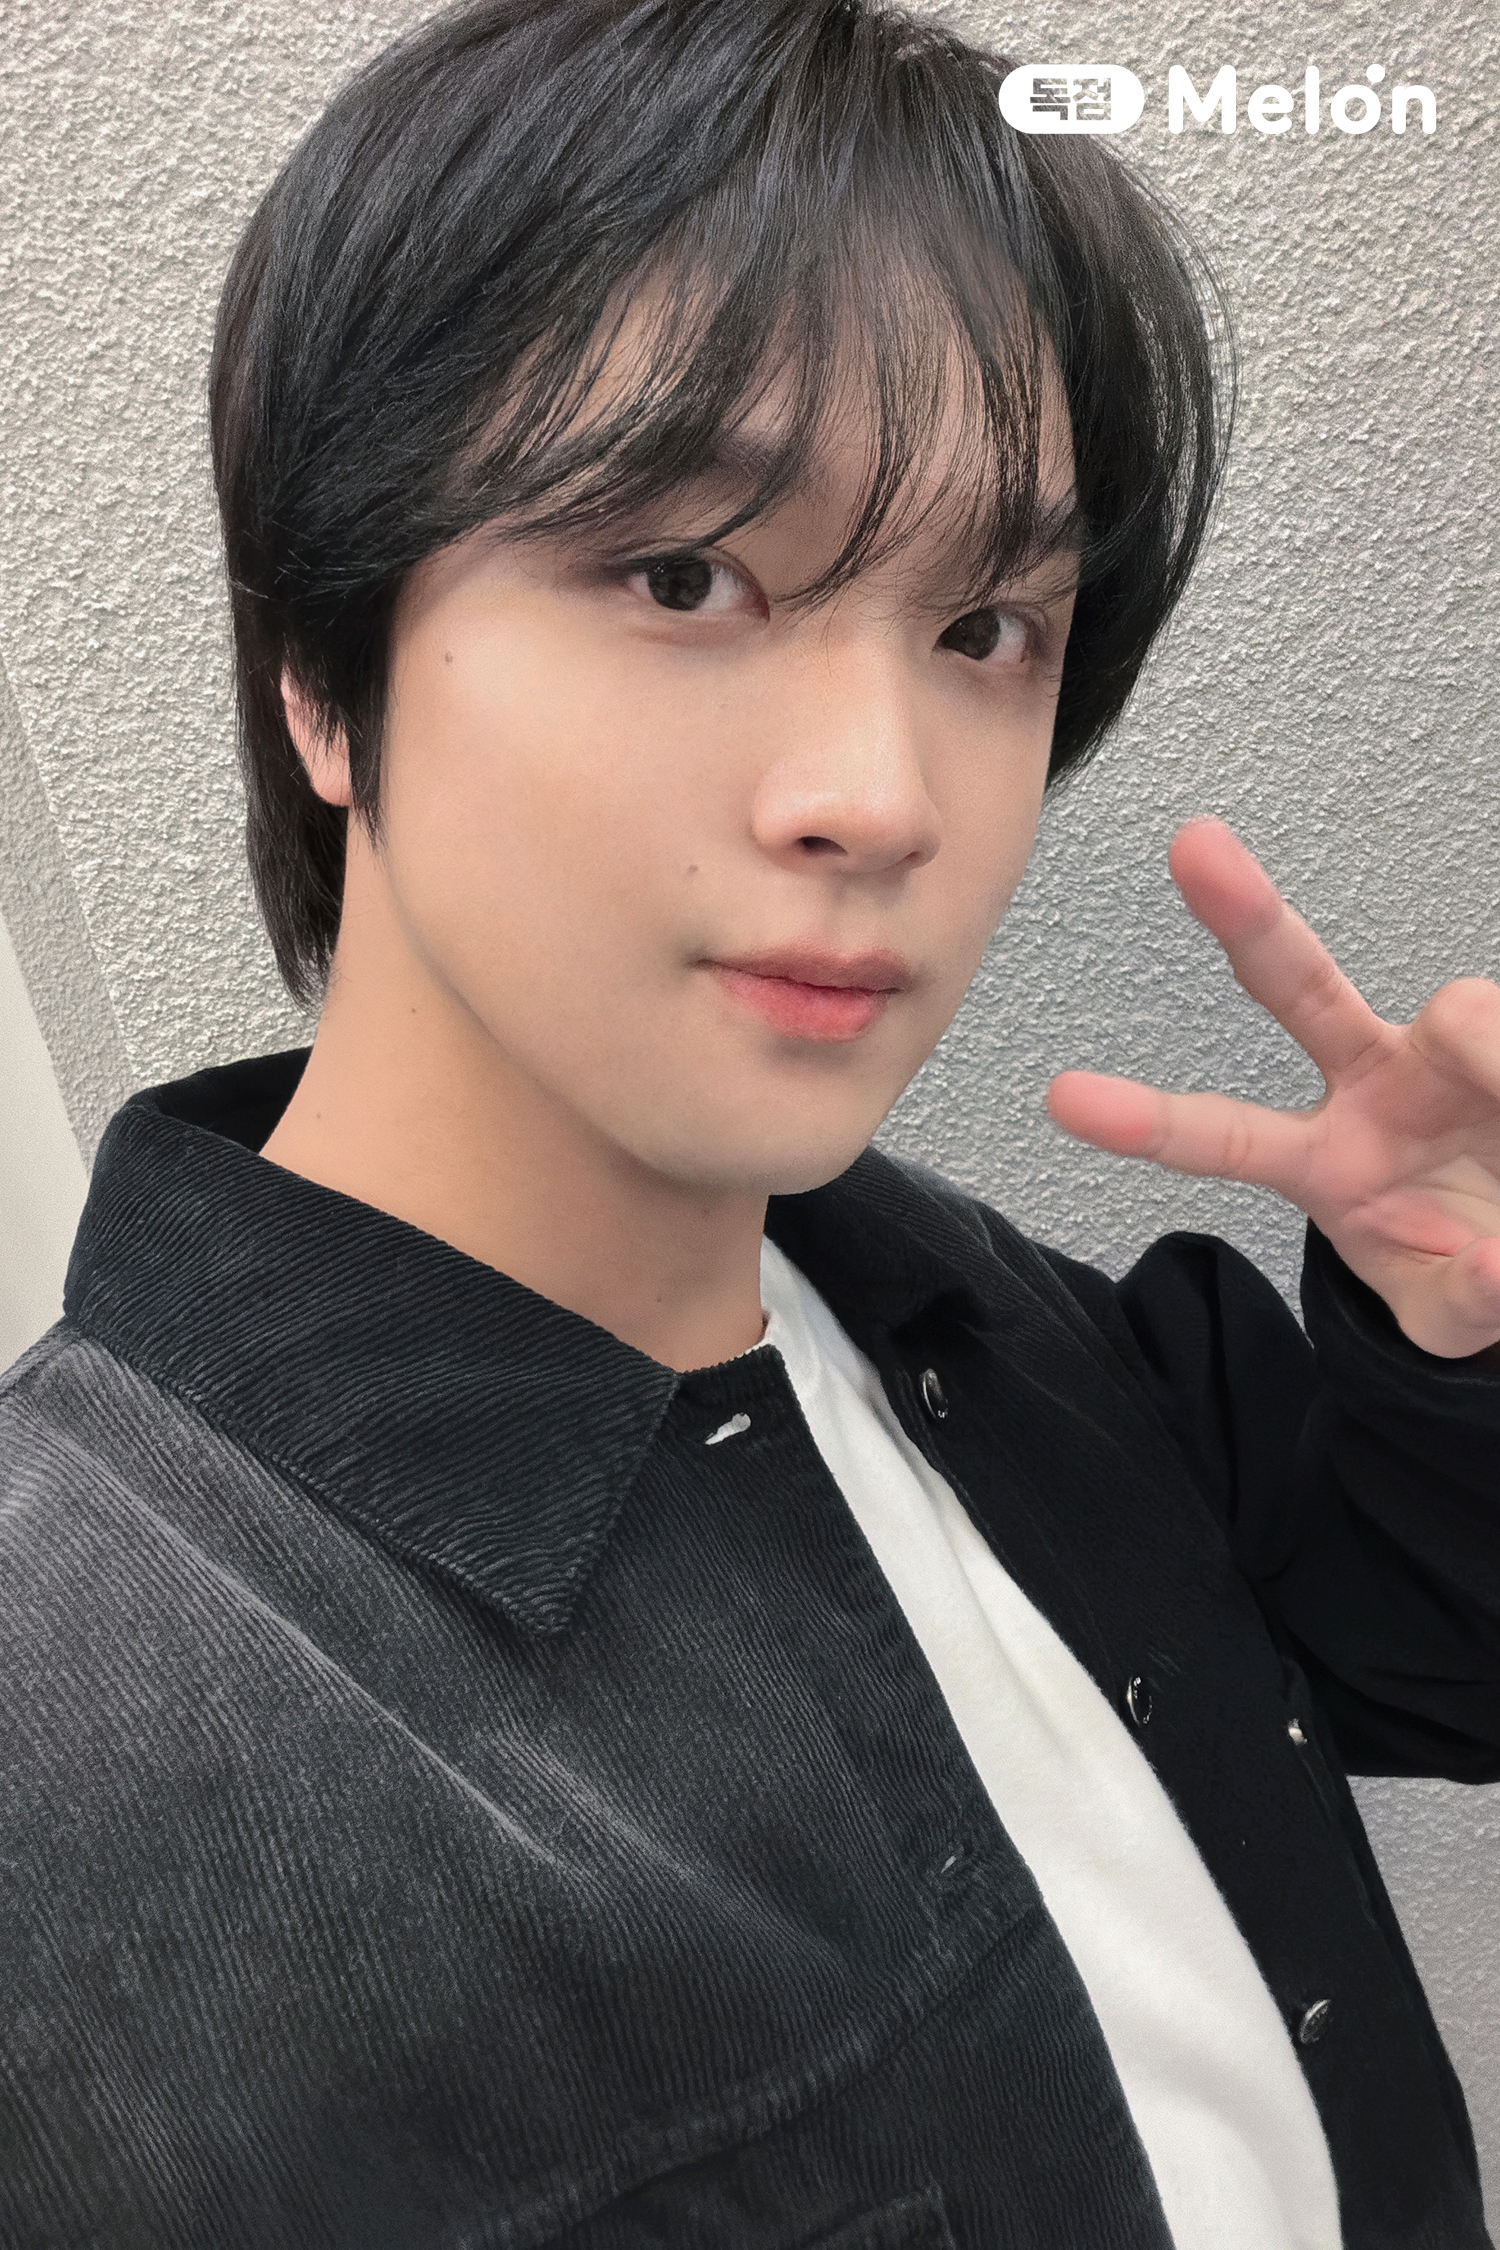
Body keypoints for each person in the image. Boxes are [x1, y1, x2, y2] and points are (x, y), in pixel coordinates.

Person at [2, 1, 1497, 2244]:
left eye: (988, 625)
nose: (883, 799)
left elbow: (1428, 1651)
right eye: (684, 574)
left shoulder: (968, 1314)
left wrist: (1445, 1334)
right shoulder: (69, 1757)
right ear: (324, 672)